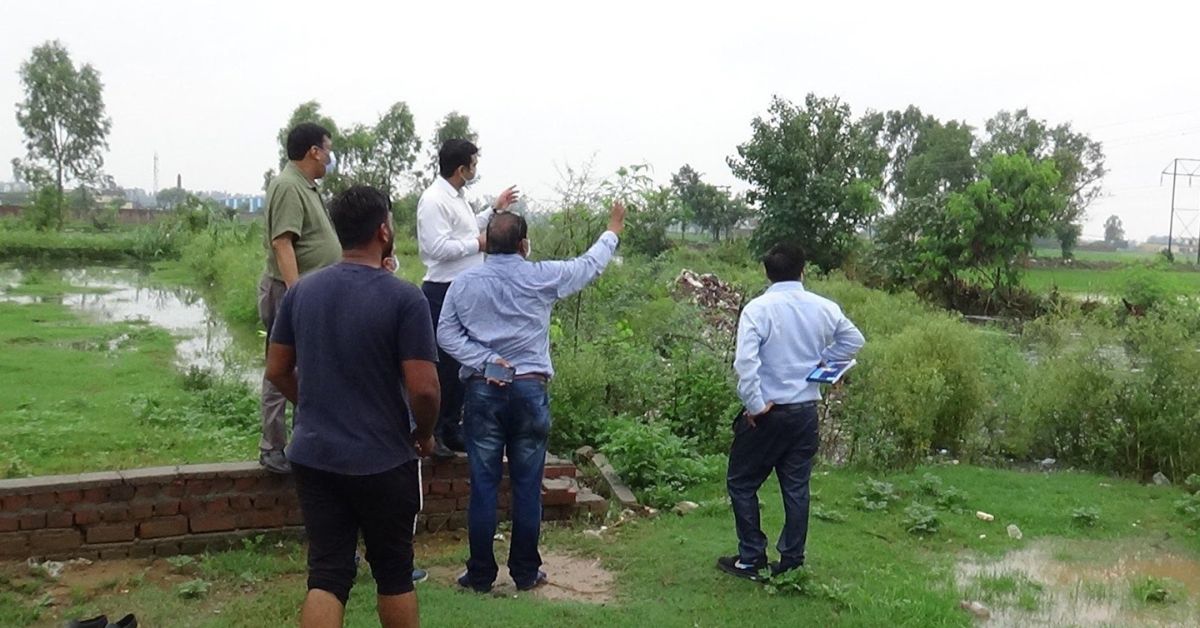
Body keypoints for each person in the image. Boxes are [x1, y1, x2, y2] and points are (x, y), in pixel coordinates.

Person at [265, 185, 440, 628]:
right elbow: (425, 390)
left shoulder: (302, 292)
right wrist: (423, 434)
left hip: (315, 456)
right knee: (395, 573)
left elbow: (277, 369)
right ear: (383, 231)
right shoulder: (404, 298)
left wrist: (313, 405)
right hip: (383, 458)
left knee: (327, 574)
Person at [438, 202, 625, 593]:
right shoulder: (542, 276)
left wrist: (486, 360)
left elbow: (446, 335)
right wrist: (612, 229)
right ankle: (525, 572)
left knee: (484, 484)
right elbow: (588, 265)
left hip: (483, 391)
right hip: (530, 390)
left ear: (486, 245)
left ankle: (480, 574)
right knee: (527, 484)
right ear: (524, 245)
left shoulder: (464, 284)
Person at [717, 243, 865, 581]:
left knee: (741, 482)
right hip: (805, 412)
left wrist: (754, 405)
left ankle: (751, 556)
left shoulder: (758, 309)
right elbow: (853, 340)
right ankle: (792, 561)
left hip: (768, 412)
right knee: (796, 487)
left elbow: (745, 363)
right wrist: (824, 361)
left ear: (766, 273)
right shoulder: (824, 307)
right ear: (803, 270)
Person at [416, 139, 518, 458]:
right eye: (473, 164)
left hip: (463, 289)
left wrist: (494, 210)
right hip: (442, 289)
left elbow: (466, 229)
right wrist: (479, 244)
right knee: (444, 363)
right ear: (462, 169)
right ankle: (433, 431)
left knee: (461, 361)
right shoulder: (433, 200)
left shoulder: (456, 197)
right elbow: (437, 248)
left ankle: (450, 425)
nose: (475, 169)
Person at [257, 122, 342, 474]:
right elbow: (283, 243)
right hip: (289, 290)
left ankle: (301, 442)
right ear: (314, 151)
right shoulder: (289, 186)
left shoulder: (306, 186)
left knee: (305, 367)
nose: (330, 156)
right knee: (281, 367)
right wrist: (297, 296)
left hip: (307, 291)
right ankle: (272, 447)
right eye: (328, 148)